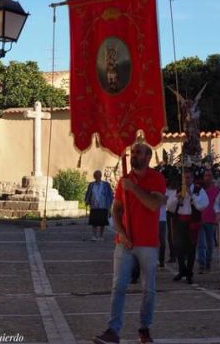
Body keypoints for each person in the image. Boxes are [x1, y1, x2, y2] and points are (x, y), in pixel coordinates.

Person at [93, 143, 166, 344]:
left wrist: (133, 188)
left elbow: (153, 204)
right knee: (119, 286)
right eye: (132, 152)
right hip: (125, 241)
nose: (134, 155)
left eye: (138, 152)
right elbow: (116, 210)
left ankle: (144, 328)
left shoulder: (156, 178)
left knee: (148, 289)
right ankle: (113, 330)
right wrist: (121, 233)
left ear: (148, 156)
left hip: (148, 243)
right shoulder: (123, 180)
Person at [166, 169, 209, 285]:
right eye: (185, 178)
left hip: (192, 221)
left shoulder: (199, 190)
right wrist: (177, 198)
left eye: (189, 177)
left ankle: (189, 273)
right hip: (179, 221)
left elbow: (203, 205)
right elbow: (169, 207)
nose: (187, 180)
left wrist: (192, 197)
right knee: (178, 247)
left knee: (191, 248)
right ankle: (182, 270)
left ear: (193, 178)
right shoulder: (178, 190)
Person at [197, 168, 220, 274]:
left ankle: (208, 262)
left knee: (210, 242)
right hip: (200, 218)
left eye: (209, 175)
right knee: (201, 243)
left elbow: (219, 204)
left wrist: (218, 215)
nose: (207, 178)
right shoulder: (199, 190)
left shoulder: (217, 190)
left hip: (211, 219)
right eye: (206, 175)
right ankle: (201, 263)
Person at [84, 170, 114, 242]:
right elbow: (88, 193)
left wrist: (109, 206)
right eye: (95, 175)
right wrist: (87, 200)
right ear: (94, 177)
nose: (97, 177)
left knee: (102, 222)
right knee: (94, 222)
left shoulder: (105, 184)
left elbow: (110, 195)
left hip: (103, 205)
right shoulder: (91, 185)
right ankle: (94, 236)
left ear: (100, 176)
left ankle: (101, 236)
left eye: (98, 175)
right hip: (94, 205)